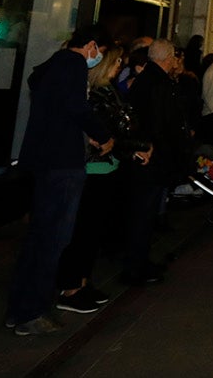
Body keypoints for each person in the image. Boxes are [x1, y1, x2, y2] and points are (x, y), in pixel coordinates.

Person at [6, 25, 115, 335]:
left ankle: (20, 309)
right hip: (62, 164)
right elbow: (77, 108)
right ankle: (31, 312)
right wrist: (102, 135)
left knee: (39, 239)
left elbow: (60, 109)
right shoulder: (73, 65)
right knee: (52, 240)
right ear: (92, 46)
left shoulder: (53, 65)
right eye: (101, 53)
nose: (99, 59)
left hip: (45, 161)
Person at [55, 45, 137, 315]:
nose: (117, 71)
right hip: (91, 169)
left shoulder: (106, 92)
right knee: (82, 230)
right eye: (115, 66)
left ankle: (83, 281)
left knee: (93, 232)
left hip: (107, 167)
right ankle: (71, 287)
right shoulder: (90, 95)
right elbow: (98, 129)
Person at [122, 39, 187, 285]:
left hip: (151, 157)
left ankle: (140, 261)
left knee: (144, 214)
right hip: (151, 159)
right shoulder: (157, 83)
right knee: (142, 214)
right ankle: (135, 265)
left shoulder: (147, 80)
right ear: (167, 58)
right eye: (173, 57)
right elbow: (160, 122)